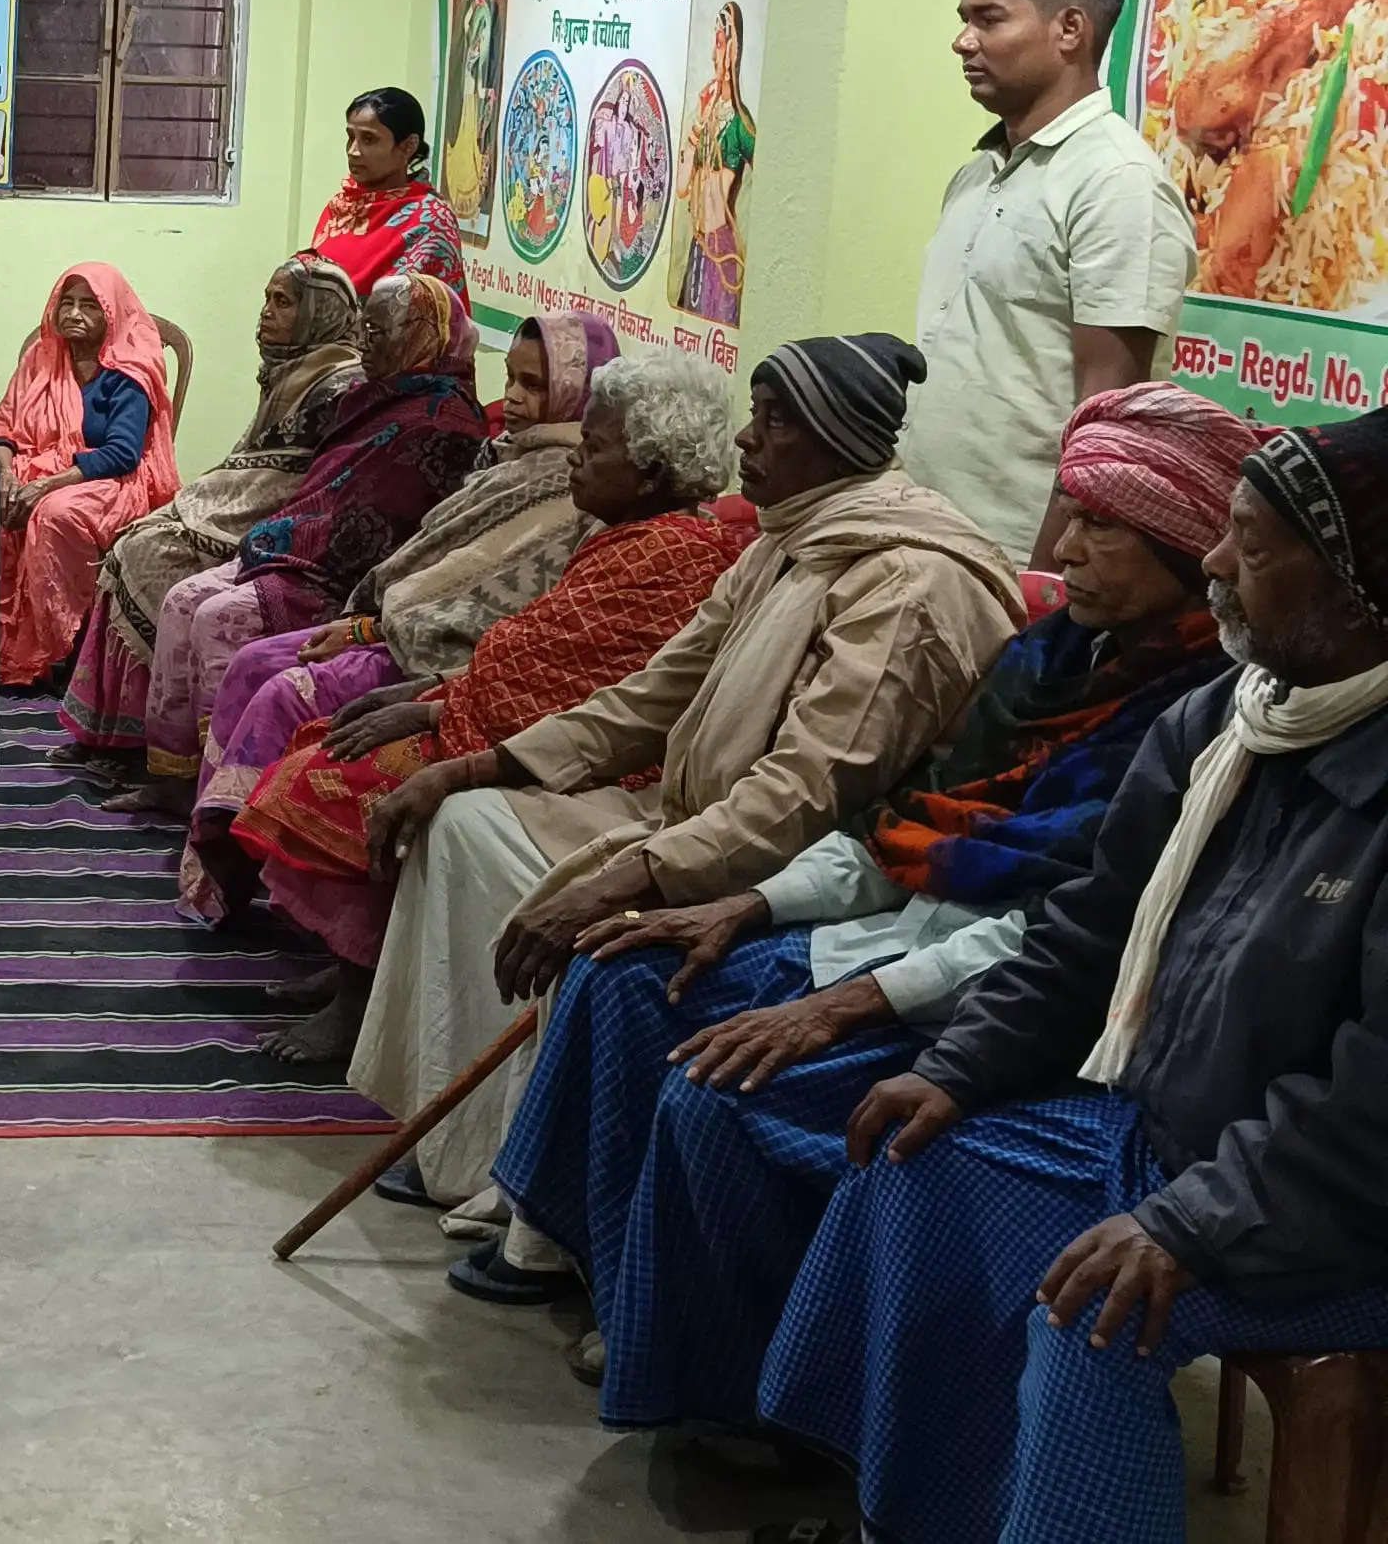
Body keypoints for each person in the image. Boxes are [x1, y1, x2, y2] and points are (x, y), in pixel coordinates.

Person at [493, 381, 1250, 1433]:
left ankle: (739, 1399)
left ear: (1182, 551)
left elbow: (1072, 939)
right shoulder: (1047, 660)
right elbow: (906, 828)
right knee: (627, 970)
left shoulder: (1190, 721)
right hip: (903, 939)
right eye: (1069, 512)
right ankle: (620, 1275)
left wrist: (849, 1002)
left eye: (1101, 525)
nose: (1064, 545)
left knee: (718, 1084)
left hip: (1006, 1008)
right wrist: (749, 907)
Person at [758, 406, 1388, 1544]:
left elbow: (1371, 1109)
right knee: (916, 1156)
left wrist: (1190, 1222)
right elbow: (1088, 934)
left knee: (1095, 1316)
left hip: (1333, 1208)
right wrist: (959, 1068)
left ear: (1355, 582)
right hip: (1171, 1136)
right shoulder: (1229, 722)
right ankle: (915, 1520)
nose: (1210, 562)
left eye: (1246, 543)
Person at [351, 335, 1024, 1244]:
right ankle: (468, 1151)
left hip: (776, 869)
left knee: (591, 934)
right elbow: (650, 698)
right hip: (686, 817)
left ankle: (543, 1217)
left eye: (774, 421)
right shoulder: (790, 541)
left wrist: (635, 876)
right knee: (463, 824)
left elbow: (803, 797)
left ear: (833, 439)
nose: (745, 440)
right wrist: (469, 765)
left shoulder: (903, 579)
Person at [233, 351, 748, 1064]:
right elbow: (528, 648)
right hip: (506, 718)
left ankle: (359, 994)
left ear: (652, 470)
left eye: (594, 448)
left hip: (588, 764)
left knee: (338, 781)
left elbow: (581, 692)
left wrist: (434, 710)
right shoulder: (626, 533)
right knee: (330, 741)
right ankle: (361, 965)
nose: (577, 462)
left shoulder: (673, 557)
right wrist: (428, 694)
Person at [177, 309, 621, 925]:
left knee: (284, 690)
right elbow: (427, 553)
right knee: (253, 660)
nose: (514, 398)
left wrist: (370, 628)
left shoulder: (579, 484)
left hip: (445, 661)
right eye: (511, 379)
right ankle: (232, 874)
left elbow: (489, 599)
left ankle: (285, 904)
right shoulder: (501, 453)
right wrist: (365, 622)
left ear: (582, 389)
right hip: (391, 625)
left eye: (535, 385)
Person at [63, 273, 488, 813]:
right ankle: (170, 773)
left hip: (342, 580)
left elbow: (386, 525)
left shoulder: (442, 422)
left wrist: (283, 542)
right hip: (295, 546)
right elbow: (319, 488)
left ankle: (222, 795)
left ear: (420, 338)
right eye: (365, 327)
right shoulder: (375, 394)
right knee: (181, 599)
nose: (364, 342)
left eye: (378, 333)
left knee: (218, 617)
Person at [899, 0, 1196, 566]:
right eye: (963, 19)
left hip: (1011, 557)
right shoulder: (980, 171)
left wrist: (1047, 582)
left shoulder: (1117, 184)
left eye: (989, 19)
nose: (962, 41)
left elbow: (1106, 409)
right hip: (924, 532)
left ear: (1069, 30)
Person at [48, 257, 366, 770]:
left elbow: (296, 482)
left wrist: (200, 509)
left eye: (282, 303)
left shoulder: (339, 385)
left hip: (285, 526)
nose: (265, 314)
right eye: (266, 299)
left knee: (147, 553)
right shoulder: (290, 370)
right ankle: (116, 733)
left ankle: (160, 753)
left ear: (319, 312)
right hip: (239, 502)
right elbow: (248, 463)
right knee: (136, 541)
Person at [0, 264, 181, 689]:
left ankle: (62, 654)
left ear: (111, 313)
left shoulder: (129, 370)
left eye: (89, 305)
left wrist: (46, 485)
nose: (74, 314)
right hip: (36, 474)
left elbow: (123, 453)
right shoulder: (42, 358)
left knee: (55, 514)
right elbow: (1, 427)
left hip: (112, 482)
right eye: (67, 303)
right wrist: (4, 476)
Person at [304, 87, 470, 307]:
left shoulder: (430, 220)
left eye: (369, 140)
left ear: (408, 146)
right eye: (351, 137)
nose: (353, 150)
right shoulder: (340, 208)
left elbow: (434, 316)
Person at [671, 0, 755, 327]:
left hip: (722, 251)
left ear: (733, 50)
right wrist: (697, 128)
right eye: (713, 45)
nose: (713, 54)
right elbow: (681, 188)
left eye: (720, 44)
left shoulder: (739, 125)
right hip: (700, 246)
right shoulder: (704, 118)